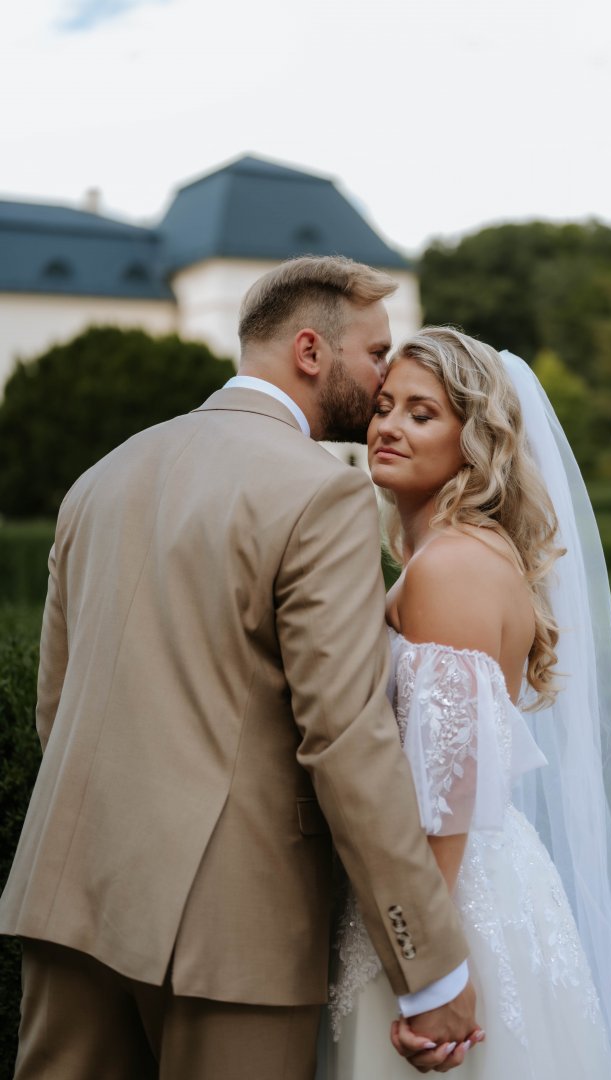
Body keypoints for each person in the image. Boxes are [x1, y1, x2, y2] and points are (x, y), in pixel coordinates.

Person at [0, 259, 484, 1080]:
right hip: (234, 928)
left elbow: (58, 705)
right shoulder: (320, 492)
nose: (381, 381)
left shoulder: (100, 478)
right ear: (310, 351)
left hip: (69, 899)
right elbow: (346, 740)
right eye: (375, 354)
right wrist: (428, 966)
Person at [322, 327, 611, 1078]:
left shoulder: (451, 566)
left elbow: (447, 787)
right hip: (440, 881)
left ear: (475, 442)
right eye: (384, 406)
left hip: (448, 899)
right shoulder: (446, 554)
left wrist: (431, 971)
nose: (388, 426)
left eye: (422, 413)